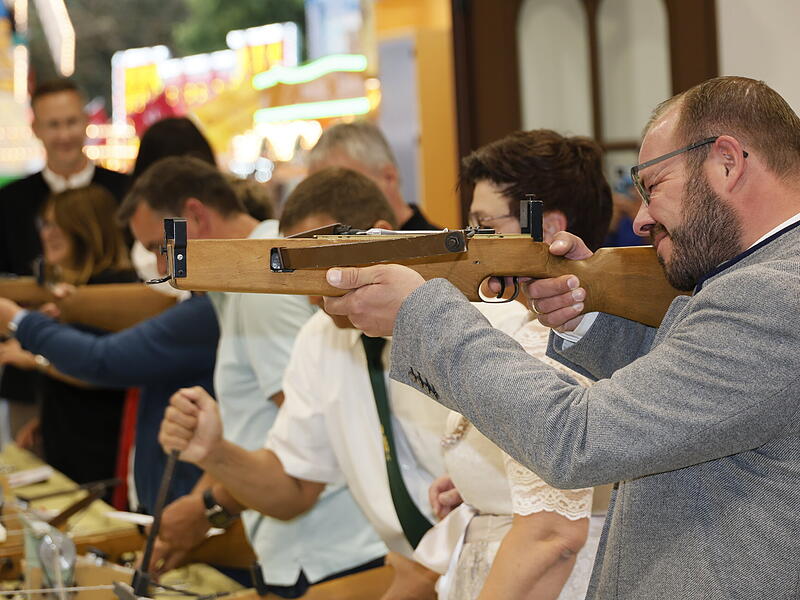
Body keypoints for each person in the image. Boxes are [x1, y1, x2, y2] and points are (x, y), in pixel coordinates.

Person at [321, 76, 800, 599]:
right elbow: (704, 392)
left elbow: (578, 441)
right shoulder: (766, 283)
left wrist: (423, 314)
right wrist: (584, 317)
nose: (640, 219)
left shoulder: (769, 294)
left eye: (653, 186)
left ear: (727, 162)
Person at [159, 167, 452, 600]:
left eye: (322, 264)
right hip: (411, 568)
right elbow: (294, 489)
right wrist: (216, 451)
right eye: (300, 271)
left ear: (381, 237)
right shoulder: (319, 338)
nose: (312, 294)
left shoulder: (458, 323)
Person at [121, 158, 386, 598]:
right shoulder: (248, 287)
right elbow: (284, 440)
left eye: (159, 247)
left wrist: (208, 507)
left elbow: (315, 451)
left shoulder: (265, 287)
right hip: (319, 549)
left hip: (334, 556)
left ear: (196, 216)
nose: (158, 266)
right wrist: (210, 471)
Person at [415, 130, 612, 600]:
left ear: (544, 229)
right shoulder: (544, 327)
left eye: (485, 224)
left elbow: (553, 536)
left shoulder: (567, 338)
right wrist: (480, 482)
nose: (469, 241)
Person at [0, 78, 130, 440]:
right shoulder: (10, 202)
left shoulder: (124, 192)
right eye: (53, 125)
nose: (64, 135)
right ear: (36, 128)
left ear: (86, 121)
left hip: (112, 374)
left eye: (71, 122)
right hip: (31, 378)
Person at [0, 185, 136, 488]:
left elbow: (104, 370)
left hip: (100, 442)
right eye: (44, 224)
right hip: (71, 433)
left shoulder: (112, 290)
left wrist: (33, 359)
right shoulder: (83, 288)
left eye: (55, 224)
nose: (47, 233)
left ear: (83, 228)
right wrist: (45, 422)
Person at [307, 121, 439, 230]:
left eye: (344, 188)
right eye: (319, 197)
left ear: (389, 178)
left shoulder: (442, 253)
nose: (329, 208)